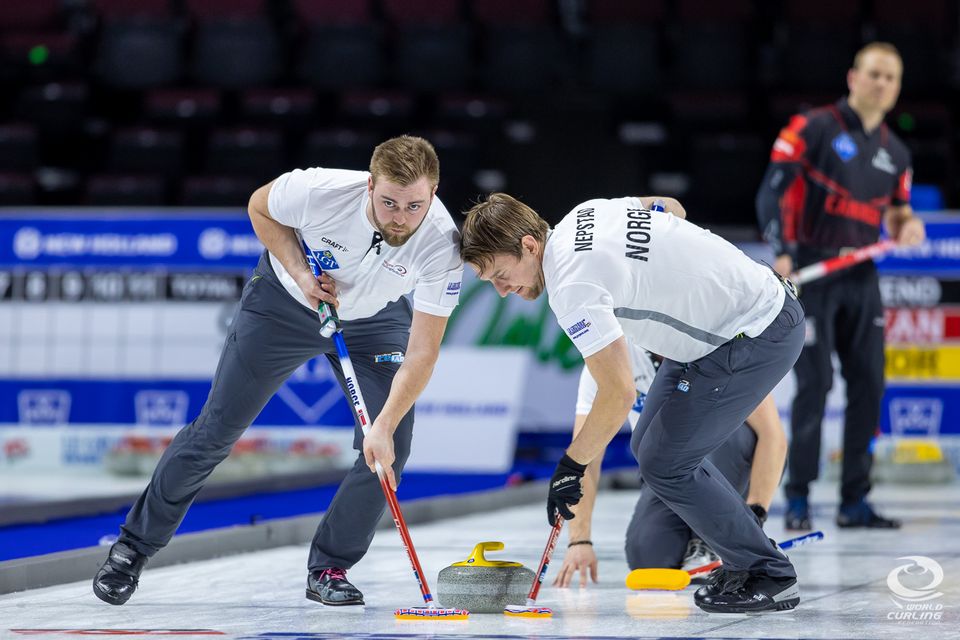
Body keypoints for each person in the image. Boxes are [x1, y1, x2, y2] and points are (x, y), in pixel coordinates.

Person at [93, 135, 463, 607]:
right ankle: (132, 548)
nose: (400, 218)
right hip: (284, 304)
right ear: (370, 185)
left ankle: (330, 566)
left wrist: (384, 425)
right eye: (389, 202)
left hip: (377, 322)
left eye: (414, 206)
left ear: (433, 193)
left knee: (390, 446)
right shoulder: (320, 190)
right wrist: (302, 274)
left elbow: (424, 352)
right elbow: (259, 208)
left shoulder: (441, 242)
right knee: (217, 429)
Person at [460, 193, 804, 613]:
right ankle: (740, 555)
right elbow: (672, 207)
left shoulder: (570, 286)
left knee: (664, 461)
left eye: (500, 274)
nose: (500, 291)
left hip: (752, 330)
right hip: (722, 326)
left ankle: (769, 573)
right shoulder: (584, 213)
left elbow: (619, 392)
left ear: (530, 246)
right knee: (648, 449)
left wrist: (570, 467)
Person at [756, 42, 926, 531]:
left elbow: (897, 210)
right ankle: (799, 495)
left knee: (870, 384)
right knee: (815, 385)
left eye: (891, 78)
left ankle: (855, 500)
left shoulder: (897, 151)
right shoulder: (813, 127)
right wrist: (782, 250)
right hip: (811, 272)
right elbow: (771, 190)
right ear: (853, 77)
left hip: (861, 278)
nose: (882, 84)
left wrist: (906, 224)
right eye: (874, 74)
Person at [553, 341, 786, 589]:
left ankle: (715, 537)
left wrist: (757, 512)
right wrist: (579, 541)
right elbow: (585, 458)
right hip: (667, 470)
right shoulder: (608, 360)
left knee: (721, 433)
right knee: (648, 556)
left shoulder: (709, 341)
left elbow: (773, 437)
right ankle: (702, 538)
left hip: (729, 454)